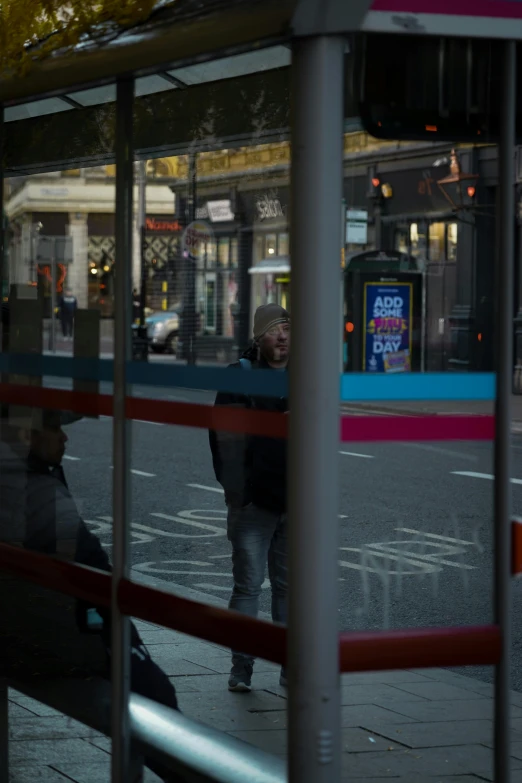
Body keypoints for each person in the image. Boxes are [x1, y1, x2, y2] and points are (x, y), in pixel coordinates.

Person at [209, 303, 289, 692]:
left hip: (295, 503)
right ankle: (242, 668)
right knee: (248, 587)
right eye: (276, 329)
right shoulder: (240, 377)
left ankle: (292, 668)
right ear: (259, 336)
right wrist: (237, 495)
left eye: (288, 329)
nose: (284, 336)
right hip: (254, 503)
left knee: (290, 591)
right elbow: (224, 440)